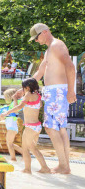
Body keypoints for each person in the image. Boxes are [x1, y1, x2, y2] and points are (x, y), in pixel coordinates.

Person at [29, 23, 77, 174]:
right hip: (55, 91)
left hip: (57, 91)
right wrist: (24, 89)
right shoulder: (49, 49)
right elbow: (40, 72)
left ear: (44, 32)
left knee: (50, 127)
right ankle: (65, 166)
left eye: (36, 37)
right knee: (60, 129)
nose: (36, 40)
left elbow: (70, 66)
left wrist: (71, 91)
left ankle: (63, 165)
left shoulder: (57, 45)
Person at [0, 78, 51, 174]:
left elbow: (19, 107)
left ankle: (27, 169)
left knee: (25, 148)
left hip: (30, 127)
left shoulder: (28, 95)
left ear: (27, 87)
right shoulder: (37, 95)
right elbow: (39, 105)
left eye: (23, 88)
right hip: (37, 126)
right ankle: (45, 168)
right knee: (33, 148)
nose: (22, 89)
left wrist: (6, 113)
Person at [0, 88, 24, 162]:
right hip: (11, 127)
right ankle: (23, 154)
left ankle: (13, 159)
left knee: (9, 144)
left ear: (10, 97)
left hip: (12, 127)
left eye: (5, 96)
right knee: (10, 144)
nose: (4, 98)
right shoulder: (11, 105)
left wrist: (15, 99)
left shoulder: (15, 103)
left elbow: (15, 110)